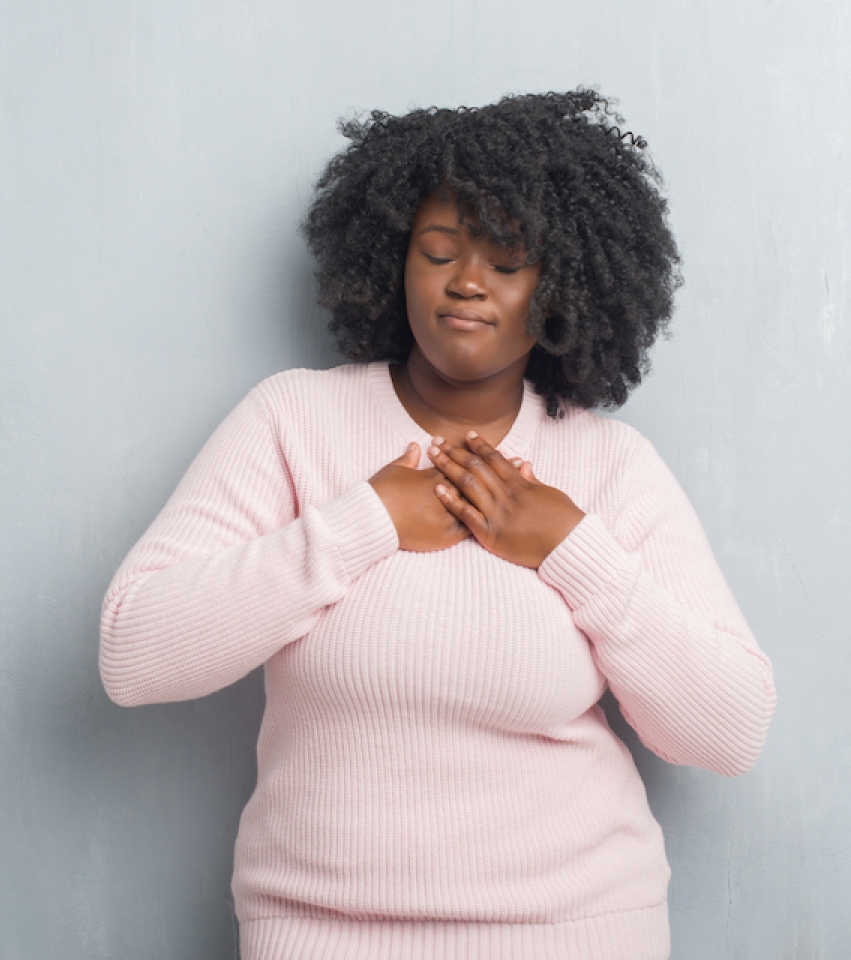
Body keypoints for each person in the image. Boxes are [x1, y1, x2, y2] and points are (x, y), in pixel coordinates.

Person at [99, 89, 775, 960]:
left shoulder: (610, 467)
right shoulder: (292, 422)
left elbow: (730, 730)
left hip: (574, 934)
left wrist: (573, 553)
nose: (466, 282)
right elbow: (132, 654)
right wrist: (364, 523)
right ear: (393, 261)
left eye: (506, 261)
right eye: (439, 252)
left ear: (561, 283)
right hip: (321, 936)